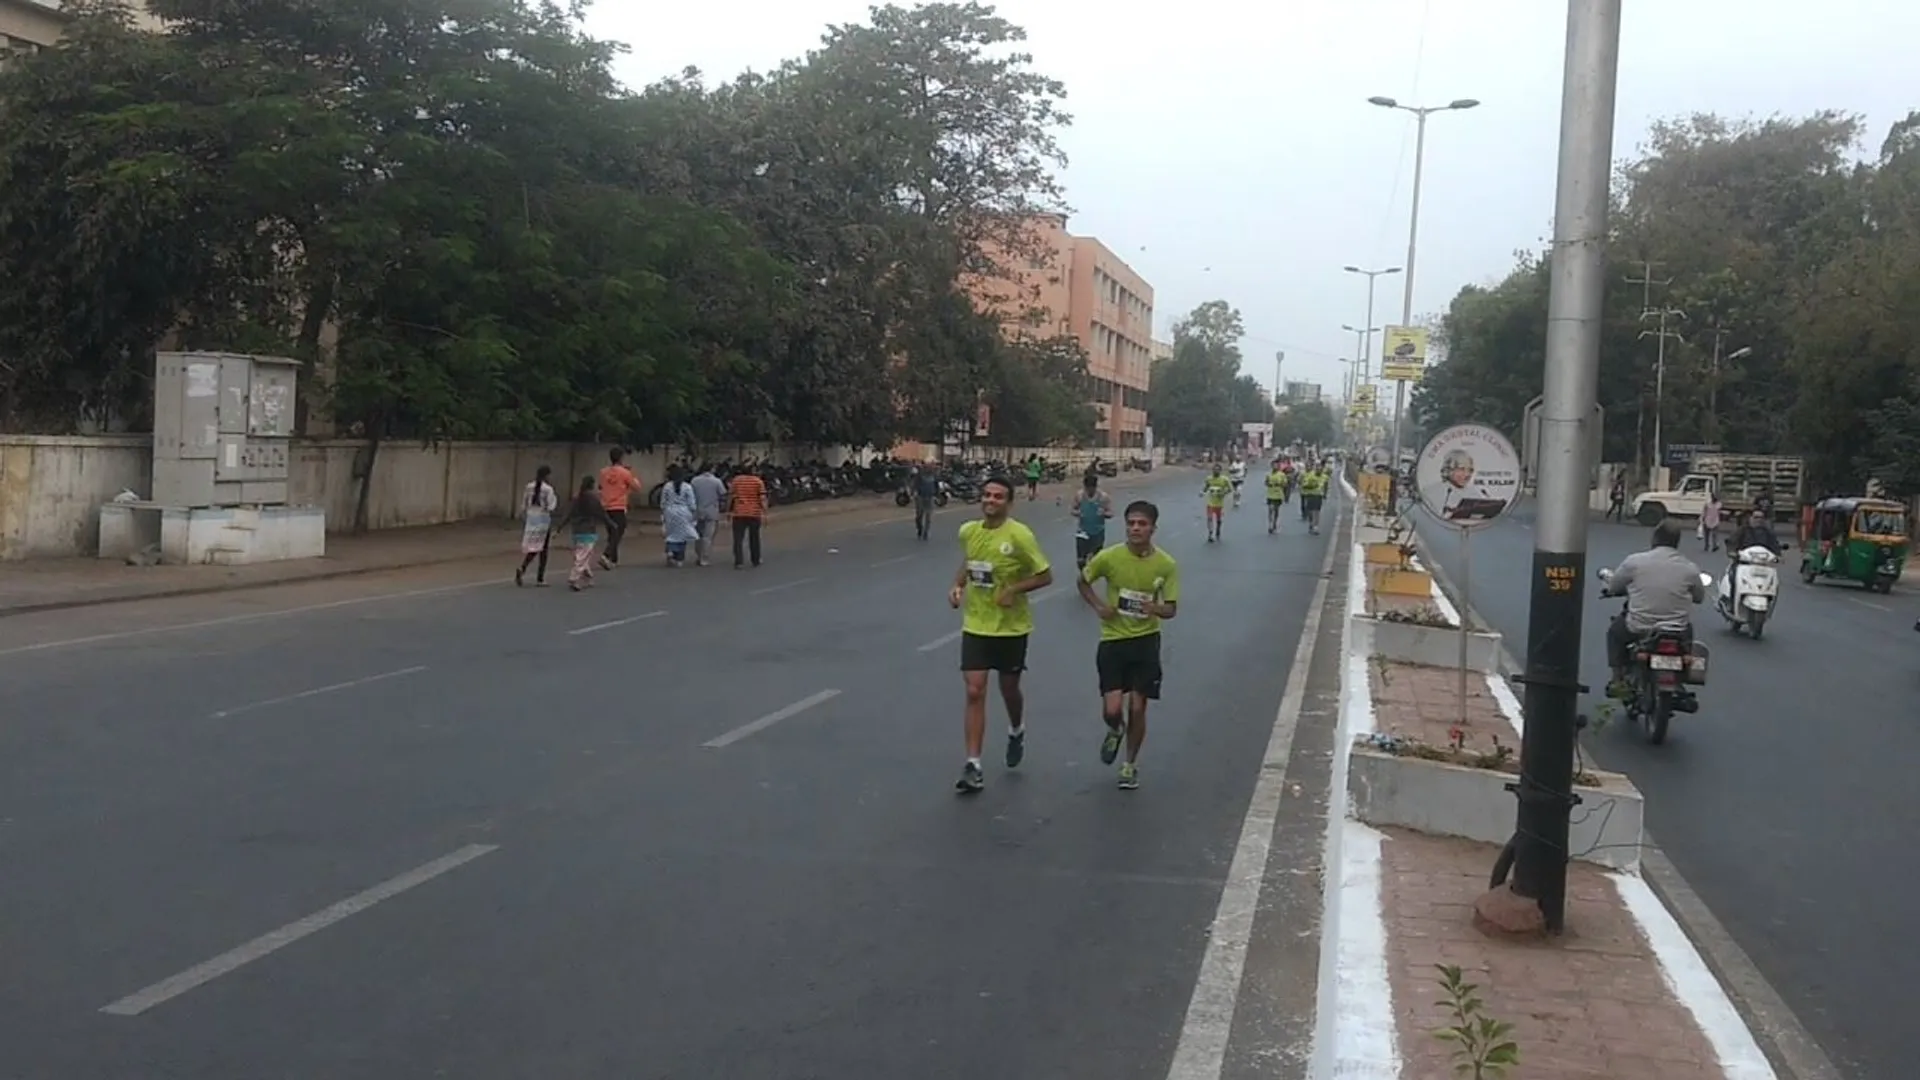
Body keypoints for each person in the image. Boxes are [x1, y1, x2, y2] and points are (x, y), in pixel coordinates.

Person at [947, 475, 1052, 794]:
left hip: (1011, 628)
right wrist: (958, 586)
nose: (990, 501)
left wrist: (1014, 590)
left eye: (998, 497)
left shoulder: (1020, 536)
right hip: (977, 625)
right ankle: (973, 764)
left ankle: (1016, 729)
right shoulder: (969, 531)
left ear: (1009, 503)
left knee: (1009, 689)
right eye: (987, 495)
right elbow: (969, 561)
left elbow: (1045, 575)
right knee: (975, 690)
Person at [1077, 500, 1179, 790]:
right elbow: (1082, 582)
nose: (1136, 528)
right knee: (1112, 709)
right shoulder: (1109, 557)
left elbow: (1171, 609)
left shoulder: (1166, 565)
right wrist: (1098, 605)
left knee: (1137, 706)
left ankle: (1129, 765)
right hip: (1113, 641)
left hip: (1146, 642)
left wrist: (1153, 608)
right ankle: (1115, 729)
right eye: (1131, 523)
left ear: (1153, 529)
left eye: (1142, 524)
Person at [1600, 519, 1705, 697]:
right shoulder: (1690, 568)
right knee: (1688, 631)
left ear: (1654, 539)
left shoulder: (1635, 562)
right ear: (1676, 542)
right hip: (1677, 630)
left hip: (1640, 627)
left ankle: (1617, 679)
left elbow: (1615, 586)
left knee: (1614, 633)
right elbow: (1699, 597)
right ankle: (1680, 678)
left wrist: (1610, 591)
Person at [554, 475, 612, 591]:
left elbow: (568, 514)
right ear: (592, 485)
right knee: (583, 556)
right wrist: (611, 524)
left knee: (583, 554)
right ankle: (574, 578)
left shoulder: (577, 497)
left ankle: (588, 577)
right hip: (588, 531)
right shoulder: (593, 498)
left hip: (576, 531)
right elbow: (601, 514)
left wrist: (559, 528)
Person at [596, 447, 644, 569]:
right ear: (621, 458)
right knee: (618, 531)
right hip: (618, 506)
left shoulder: (603, 472)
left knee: (612, 533)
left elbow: (600, 486)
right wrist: (632, 474)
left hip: (605, 506)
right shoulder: (625, 473)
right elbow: (637, 487)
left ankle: (613, 559)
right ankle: (606, 555)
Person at [515, 464, 557, 586]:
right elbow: (551, 506)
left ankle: (523, 568)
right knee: (543, 549)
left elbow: (524, 504)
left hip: (531, 519)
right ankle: (540, 578)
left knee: (534, 546)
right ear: (547, 475)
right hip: (543, 520)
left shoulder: (529, 487)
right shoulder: (548, 489)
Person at [657, 465, 699, 568]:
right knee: (682, 535)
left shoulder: (667, 486)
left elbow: (663, 502)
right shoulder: (687, 487)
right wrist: (693, 513)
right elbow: (692, 504)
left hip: (670, 511)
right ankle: (679, 558)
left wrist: (663, 512)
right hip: (684, 512)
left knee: (670, 534)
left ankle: (670, 551)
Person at [727, 463, 768, 569]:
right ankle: (756, 559)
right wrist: (765, 513)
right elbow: (762, 499)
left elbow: (731, 497)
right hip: (754, 513)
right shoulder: (758, 481)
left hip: (739, 512)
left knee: (738, 539)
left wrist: (728, 511)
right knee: (754, 538)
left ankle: (739, 561)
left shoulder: (736, 481)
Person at [1070, 473, 1113, 569]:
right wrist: (1078, 513)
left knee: (1096, 559)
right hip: (1083, 530)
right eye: (1087, 488)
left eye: (1092, 488)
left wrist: (1104, 513)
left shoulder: (1103, 497)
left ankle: (1090, 577)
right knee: (1081, 560)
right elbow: (1072, 510)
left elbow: (1111, 513)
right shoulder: (1079, 496)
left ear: (1096, 487)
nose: (1089, 491)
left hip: (1098, 531)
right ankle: (1084, 577)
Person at [689, 463, 728, 566]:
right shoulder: (716, 481)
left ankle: (698, 555)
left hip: (697, 511)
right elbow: (723, 494)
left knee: (698, 535)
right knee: (708, 536)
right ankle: (704, 558)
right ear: (711, 469)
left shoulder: (694, 480)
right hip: (711, 511)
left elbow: (691, 495)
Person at [1200, 464, 1232, 543]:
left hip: (1219, 503)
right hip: (1210, 502)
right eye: (1214, 469)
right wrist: (1202, 492)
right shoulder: (1209, 479)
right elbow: (1206, 487)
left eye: (1217, 470)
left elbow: (1230, 489)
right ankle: (1210, 534)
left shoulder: (1225, 480)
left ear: (1220, 471)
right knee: (1210, 518)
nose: (1215, 471)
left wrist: (1223, 493)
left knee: (1218, 519)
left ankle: (1218, 530)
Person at [911, 464, 941, 540]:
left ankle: (926, 532)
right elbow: (915, 485)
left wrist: (937, 496)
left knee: (928, 516)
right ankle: (920, 528)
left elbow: (936, 486)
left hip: (930, 497)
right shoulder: (920, 475)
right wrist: (914, 493)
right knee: (919, 516)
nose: (929, 469)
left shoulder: (934, 476)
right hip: (920, 497)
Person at [1298, 462, 1329, 535]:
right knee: (1311, 511)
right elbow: (1304, 484)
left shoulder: (1325, 476)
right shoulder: (1310, 476)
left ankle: (1316, 527)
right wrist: (1311, 486)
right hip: (1310, 495)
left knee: (1317, 511)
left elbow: (1326, 485)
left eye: (1320, 468)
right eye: (1317, 468)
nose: (1318, 469)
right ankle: (1311, 523)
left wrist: (1325, 494)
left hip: (1319, 495)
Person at [1264, 458, 1289, 534]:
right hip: (1270, 494)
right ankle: (1270, 525)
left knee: (1276, 510)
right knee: (1270, 509)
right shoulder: (1268, 474)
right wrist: (1269, 484)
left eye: (1276, 465)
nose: (1274, 466)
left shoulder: (1282, 475)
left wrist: (1279, 484)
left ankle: (1275, 523)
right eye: (1273, 465)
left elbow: (1285, 484)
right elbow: (1266, 483)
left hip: (1278, 495)